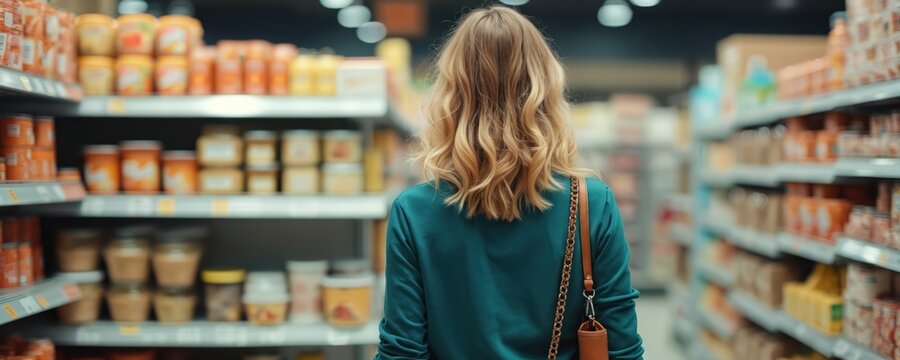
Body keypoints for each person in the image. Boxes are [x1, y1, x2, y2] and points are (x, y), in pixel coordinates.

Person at [376, 5, 644, 360]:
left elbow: (402, 352)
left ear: (450, 96)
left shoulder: (413, 211)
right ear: (546, 92)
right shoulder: (591, 203)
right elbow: (621, 348)